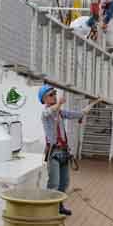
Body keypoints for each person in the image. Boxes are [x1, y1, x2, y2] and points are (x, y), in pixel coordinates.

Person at [39, 84, 101, 215]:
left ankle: (59, 206)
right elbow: (50, 111)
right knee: (53, 183)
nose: (54, 96)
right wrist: (59, 103)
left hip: (63, 152)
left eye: (54, 94)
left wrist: (94, 103)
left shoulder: (60, 113)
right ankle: (48, 209)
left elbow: (80, 114)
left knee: (64, 182)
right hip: (53, 153)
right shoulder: (45, 114)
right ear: (44, 100)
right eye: (51, 95)